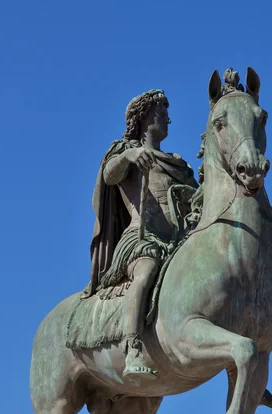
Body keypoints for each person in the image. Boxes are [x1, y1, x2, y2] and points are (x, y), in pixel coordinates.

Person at [84, 89, 198, 383]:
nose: (169, 120)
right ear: (144, 117)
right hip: (141, 238)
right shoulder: (125, 153)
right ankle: (132, 347)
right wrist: (130, 155)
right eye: (162, 113)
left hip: (178, 240)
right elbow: (110, 174)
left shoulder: (178, 165)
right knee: (146, 273)